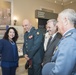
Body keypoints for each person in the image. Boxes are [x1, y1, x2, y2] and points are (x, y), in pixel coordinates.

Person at [42, 9, 76, 75]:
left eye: (58, 21)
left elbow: (60, 72)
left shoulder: (69, 41)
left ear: (65, 21)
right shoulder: (69, 37)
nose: (56, 24)